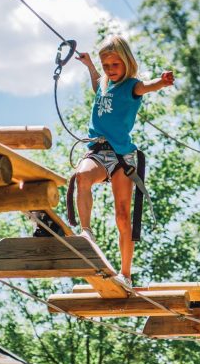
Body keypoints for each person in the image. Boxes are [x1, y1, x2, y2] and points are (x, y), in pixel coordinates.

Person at [73, 35, 174, 287]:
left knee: (122, 215)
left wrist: (161, 82)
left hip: (122, 156)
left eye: (114, 65)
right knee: (82, 176)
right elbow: (98, 86)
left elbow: (146, 87)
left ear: (126, 62)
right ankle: (86, 232)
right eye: (106, 66)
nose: (110, 70)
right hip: (98, 150)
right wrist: (90, 67)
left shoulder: (132, 85)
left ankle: (126, 274)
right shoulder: (105, 83)